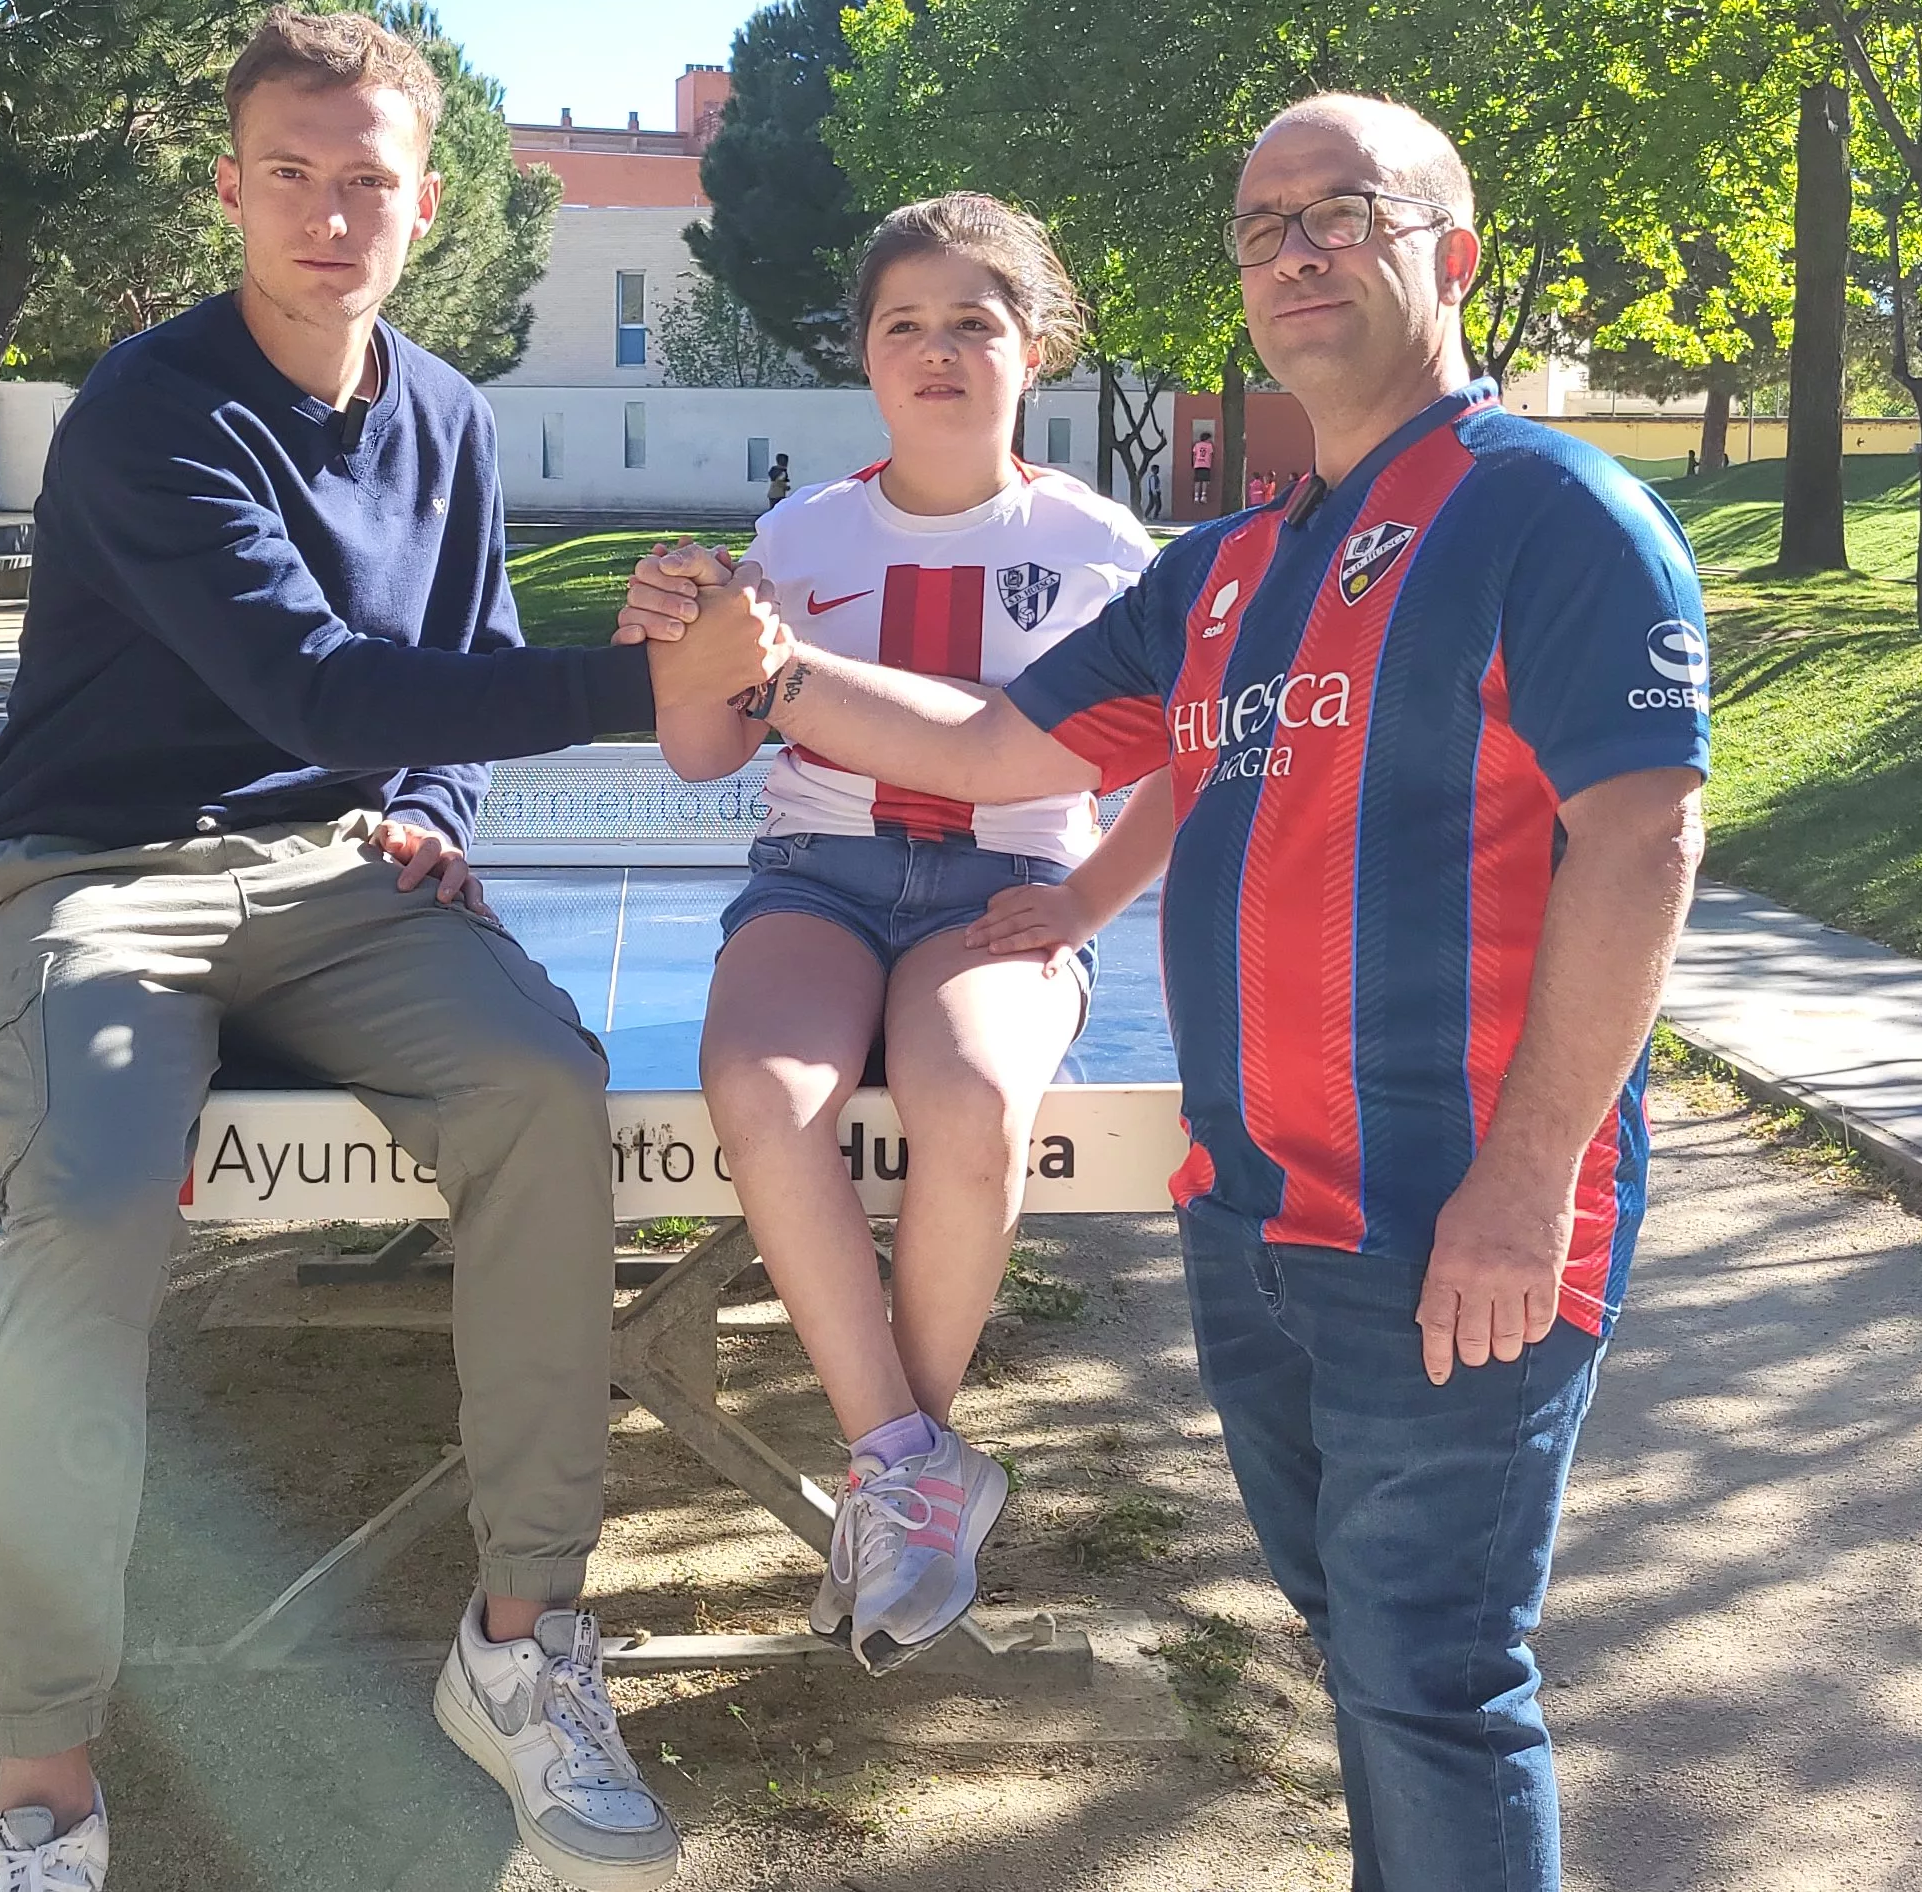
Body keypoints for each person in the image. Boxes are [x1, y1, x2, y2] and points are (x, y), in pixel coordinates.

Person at [627, 94, 1708, 1892]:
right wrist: (775, 665)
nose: (1294, 251)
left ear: (1454, 251)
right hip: (1253, 1208)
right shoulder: (1225, 571)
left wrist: (1528, 1186)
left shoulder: (1558, 515)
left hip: (1457, 1223)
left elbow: (1647, 849)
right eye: (1262, 223)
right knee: (1358, 1653)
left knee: (1436, 1676)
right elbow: (989, 743)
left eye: (1343, 213)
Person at [0, 8, 692, 1892]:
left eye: (367, 179)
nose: (327, 212)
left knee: (544, 1089)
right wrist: (649, 686)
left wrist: (435, 803)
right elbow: (313, 677)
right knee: (97, 1205)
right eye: (290, 172)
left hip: (345, 864)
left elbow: (433, 679)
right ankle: (44, 1775)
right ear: (230, 189)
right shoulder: (148, 408)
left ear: (425, 205)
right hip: (100, 877)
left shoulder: (446, 413)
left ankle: (518, 1648)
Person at [632, 195, 1171, 1674]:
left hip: (1004, 884)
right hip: (818, 874)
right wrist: (679, 643)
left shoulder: (1099, 543)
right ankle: (913, 1472)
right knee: (761, 1092)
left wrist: (1090, 902)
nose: (937, 351)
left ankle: (897, 1483)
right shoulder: (800, 534)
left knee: (974, 1098)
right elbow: (702, 755)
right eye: (903, 325)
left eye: (973, 323)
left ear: (1037, 348)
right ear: (863, 357)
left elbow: (1183, 754)